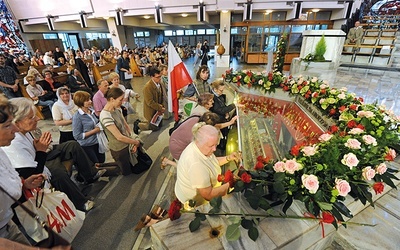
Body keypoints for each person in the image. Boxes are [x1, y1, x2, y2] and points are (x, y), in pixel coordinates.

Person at [3, 97, 105, 212]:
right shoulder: (13, 141)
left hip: (42, 155)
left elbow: (37, 148)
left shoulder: (25, 131)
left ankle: (89, 175)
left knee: (72, 145)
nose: (37, 119)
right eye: (31, 117)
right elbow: (32, 172)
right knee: (57, 173)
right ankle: (80, 203)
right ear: (17, 121)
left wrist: (41, 147)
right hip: (38, 164)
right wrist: (41, 150)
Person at [0, 94, 44, 245]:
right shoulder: (12, 147)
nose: (14, 128)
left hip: (8, 224)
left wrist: (23, 184)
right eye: (7, 125)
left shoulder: (1, 151)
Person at [174, 124, 241, 206]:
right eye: (211, 146)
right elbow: (208, 195)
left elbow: (212, 162)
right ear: (199, 142)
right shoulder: (196, 165)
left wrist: (228, 158)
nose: (215, 149)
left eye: (216, 145)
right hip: (195, 201)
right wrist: (232, 182)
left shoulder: (201, 148)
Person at [100, 88, 149, 176]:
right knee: (125, 171)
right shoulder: (105, 116)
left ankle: (101, 166)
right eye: (120, 100)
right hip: (119, 148)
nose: (122, 102)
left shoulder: (117, 109)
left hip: (127, 143)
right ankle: (99, 169)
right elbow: (119, 137)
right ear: (112, 99)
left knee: (129, 166)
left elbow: (126, 126)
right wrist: (136, 142)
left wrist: (133, 140)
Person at [72, 91, 106, 164]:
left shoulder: (92, 111)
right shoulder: (77, 117)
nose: (90, 101)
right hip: (87, 144)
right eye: (87, 100)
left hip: (97, 141)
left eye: (90, 99)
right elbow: (77, 136)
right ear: (80, 102)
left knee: (102, 160)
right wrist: (94, 131)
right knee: (95, 163)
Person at [134, 67, 165, 134]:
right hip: (151, 109)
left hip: (158, 108)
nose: (159, 78)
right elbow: (150, 102)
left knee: (159, 125)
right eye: (157, 77)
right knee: (154, 127)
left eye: (160, 76)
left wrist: (162, 106)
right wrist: (160, 107)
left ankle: (144, 122)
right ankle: (138, 125)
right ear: (152, 77)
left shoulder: (159, 83)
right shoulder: (147, 87)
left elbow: (162, 96)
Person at [210, 80, 237, 151]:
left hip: (223, 118)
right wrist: (233, 105)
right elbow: (219, 110)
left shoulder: (219, 95)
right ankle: (220, 147)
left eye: (223, 90)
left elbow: (223, 105)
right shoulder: (212, 98)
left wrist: (227, 113)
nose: (222, 92)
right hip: (218, 120)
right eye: (220, 90)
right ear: (215, 89)